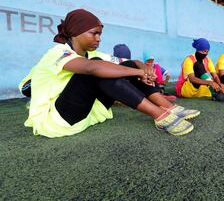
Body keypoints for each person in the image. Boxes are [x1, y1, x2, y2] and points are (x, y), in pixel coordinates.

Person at [19, 9, 199, 138]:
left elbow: (131, 63)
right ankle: (160, 116)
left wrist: (144, 68)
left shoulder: (94, 54)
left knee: (117, 65)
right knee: (98, 68)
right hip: (56, 120)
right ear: (75, 33)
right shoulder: (57, 53)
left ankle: (169, 108)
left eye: (100, 34)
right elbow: (93, 68)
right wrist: (137, 71)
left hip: (85, 114)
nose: (98, 38)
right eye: (94, 33)